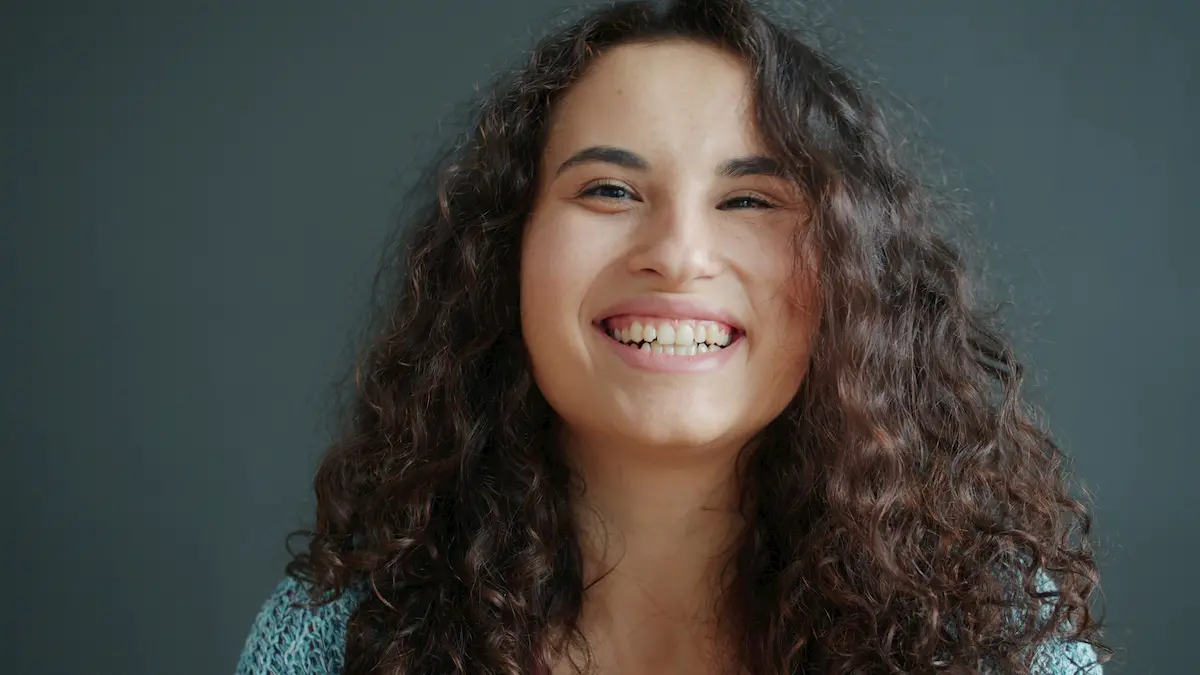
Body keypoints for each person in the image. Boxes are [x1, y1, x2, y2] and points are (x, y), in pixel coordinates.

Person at [235, 0, 1109, 673]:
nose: (678, 256)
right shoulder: (336, 640)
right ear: (506, 252)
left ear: (853, 272)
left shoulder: (991, 641)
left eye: (751, 200)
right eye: (609, 191)